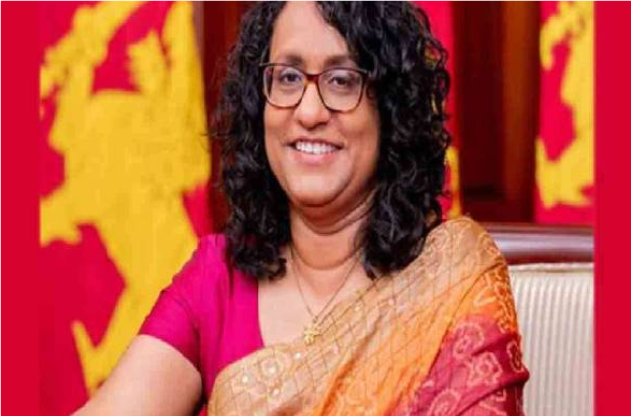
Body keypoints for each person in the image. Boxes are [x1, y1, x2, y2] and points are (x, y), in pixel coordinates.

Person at [74, 0, 529, 414]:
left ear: (390, 110)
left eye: (342, 80)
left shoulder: (453, 282)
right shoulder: (217, 279)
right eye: (288, 77)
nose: (309, 112)